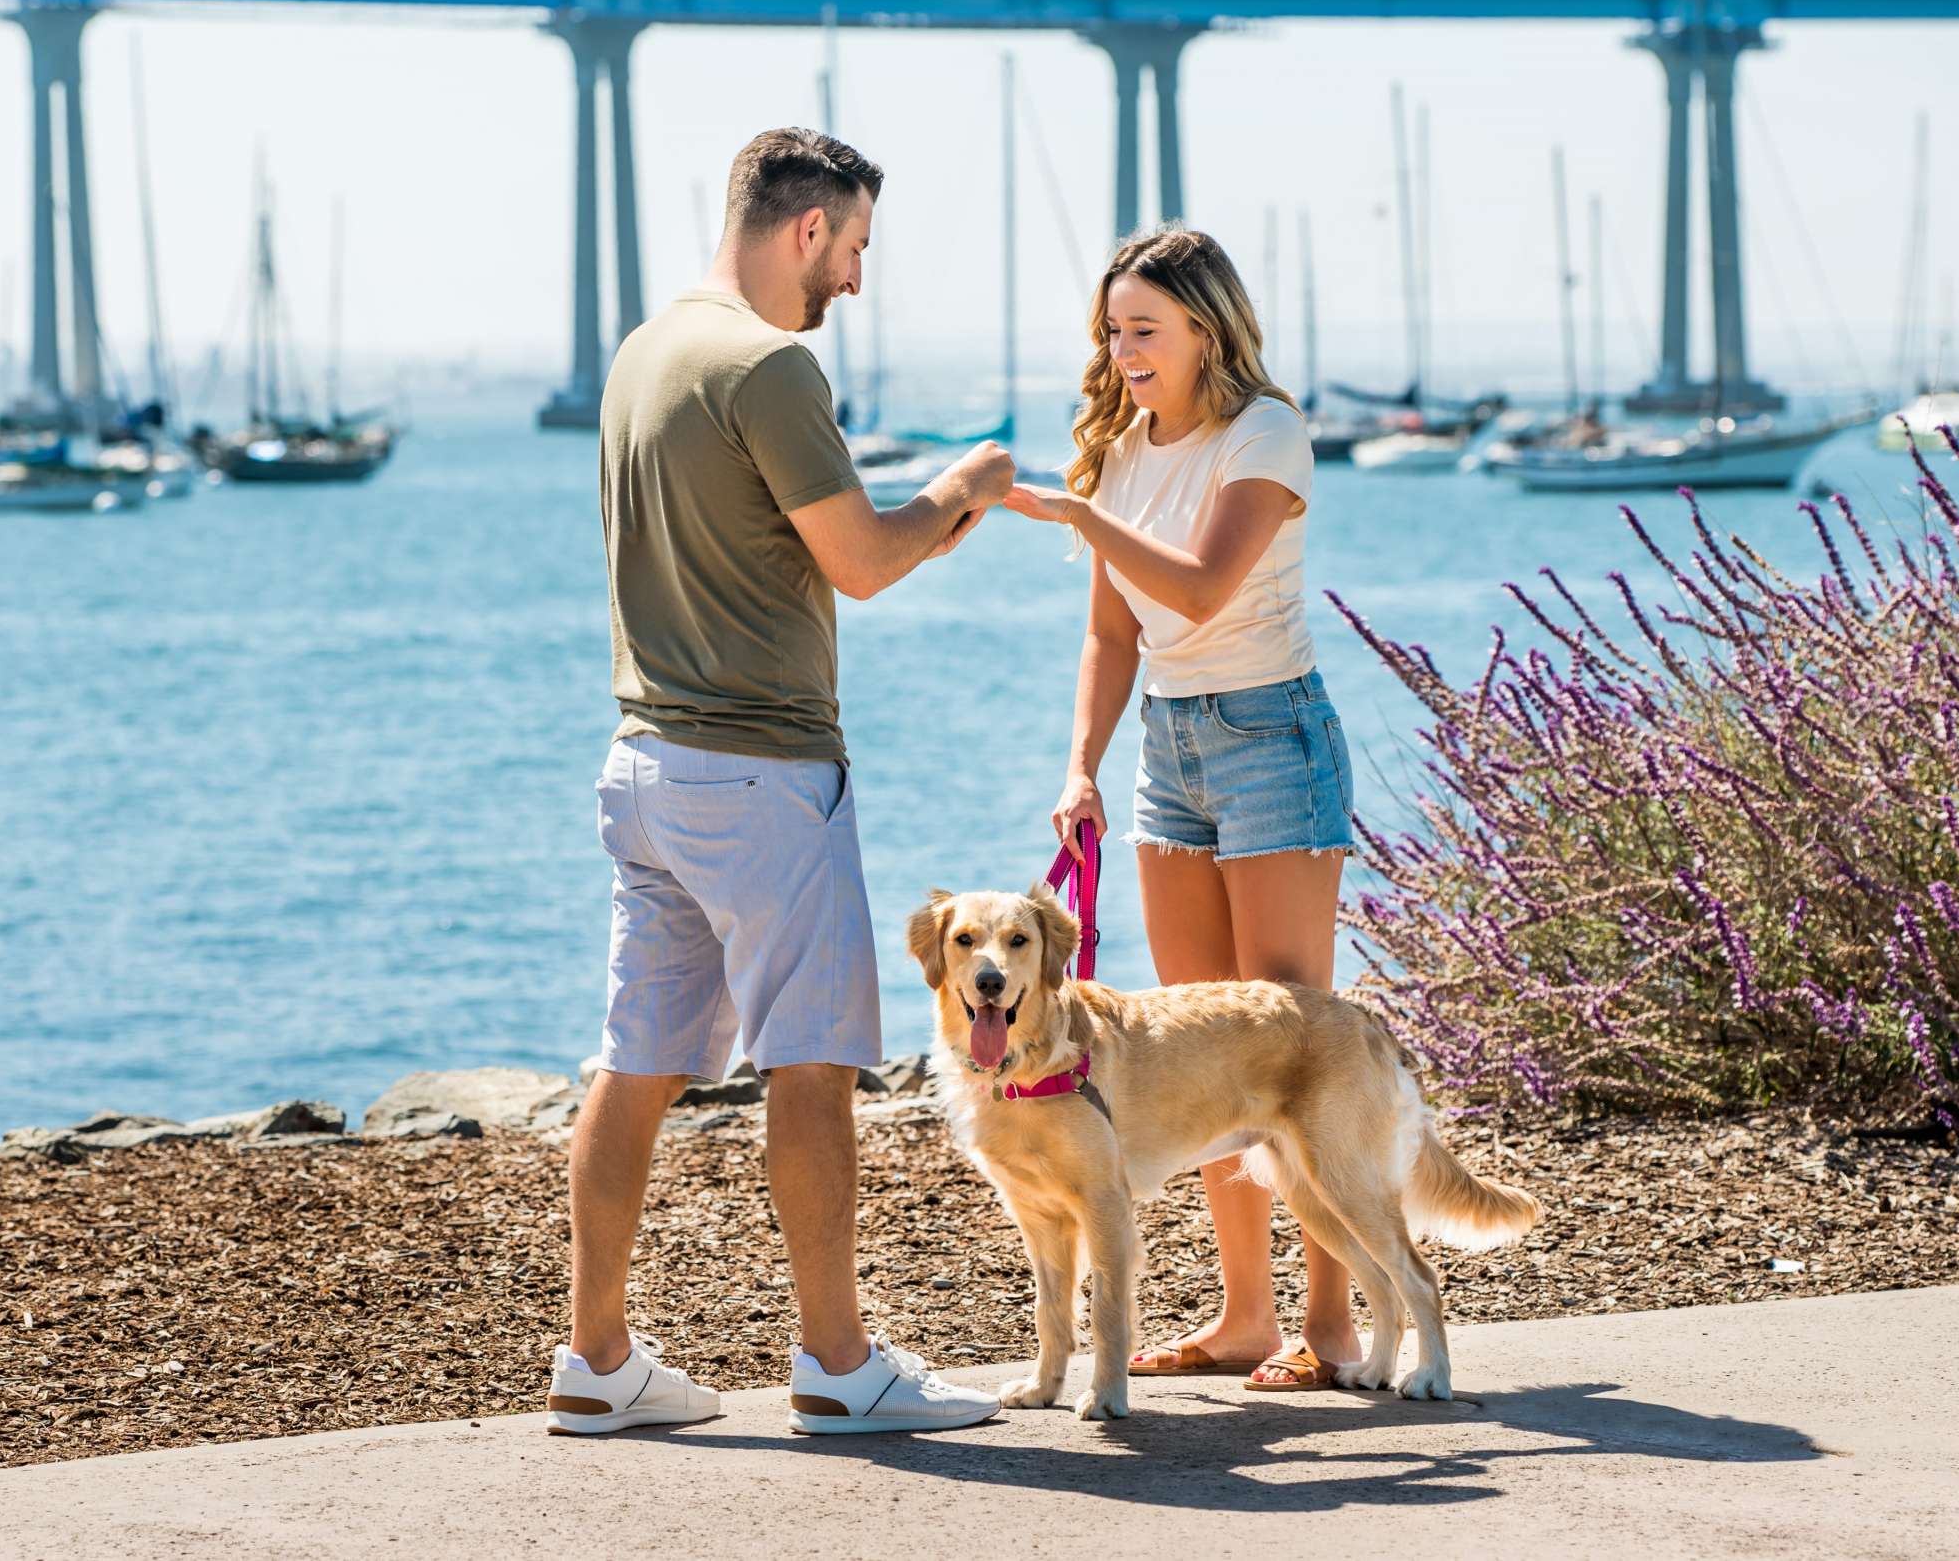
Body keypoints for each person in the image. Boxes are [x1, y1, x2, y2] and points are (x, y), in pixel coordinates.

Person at [550, 127, 1012, 1437]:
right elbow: (862, 560)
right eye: (855, 247)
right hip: (761, 774)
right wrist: (961, 491)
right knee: (810, 1066)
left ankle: (595, 1358)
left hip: (643, 767)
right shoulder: (771, 368)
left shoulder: (643, 354)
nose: (856, 282)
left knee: (635, 1064)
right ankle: (837, 1363)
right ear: (808, 228)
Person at [1003, 228, 1359, 1392]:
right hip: (1168, 746)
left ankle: (1332, 1324)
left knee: (1295, 1045)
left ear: (1206, 328)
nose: (1123, 351)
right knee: (1203, 1051)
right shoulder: (1116, 453)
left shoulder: (1266, 432)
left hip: (1271, 738)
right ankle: (1244, 1317)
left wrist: (1082, 518)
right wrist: (1080, 767)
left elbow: (1200, 591)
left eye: (1143, 330)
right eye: (1112, 330)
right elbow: (1115, 634)